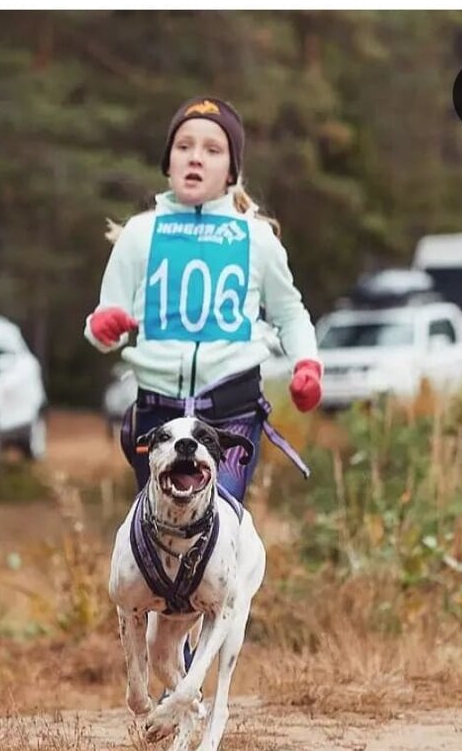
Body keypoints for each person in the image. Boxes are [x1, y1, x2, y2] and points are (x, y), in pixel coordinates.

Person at [85, 96, 323, 501]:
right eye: (184, 147)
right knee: (163, 530)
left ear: (232, 171)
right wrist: (102, 326)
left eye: (212, 150)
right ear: (168, 162)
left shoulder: (256, 239)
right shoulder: (140, 236)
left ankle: (229, 564)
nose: (195, 158)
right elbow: (105, 326)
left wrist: (308, 365)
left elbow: (291, 314)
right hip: (157, 411)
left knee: (218, 516)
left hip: (231, 412)